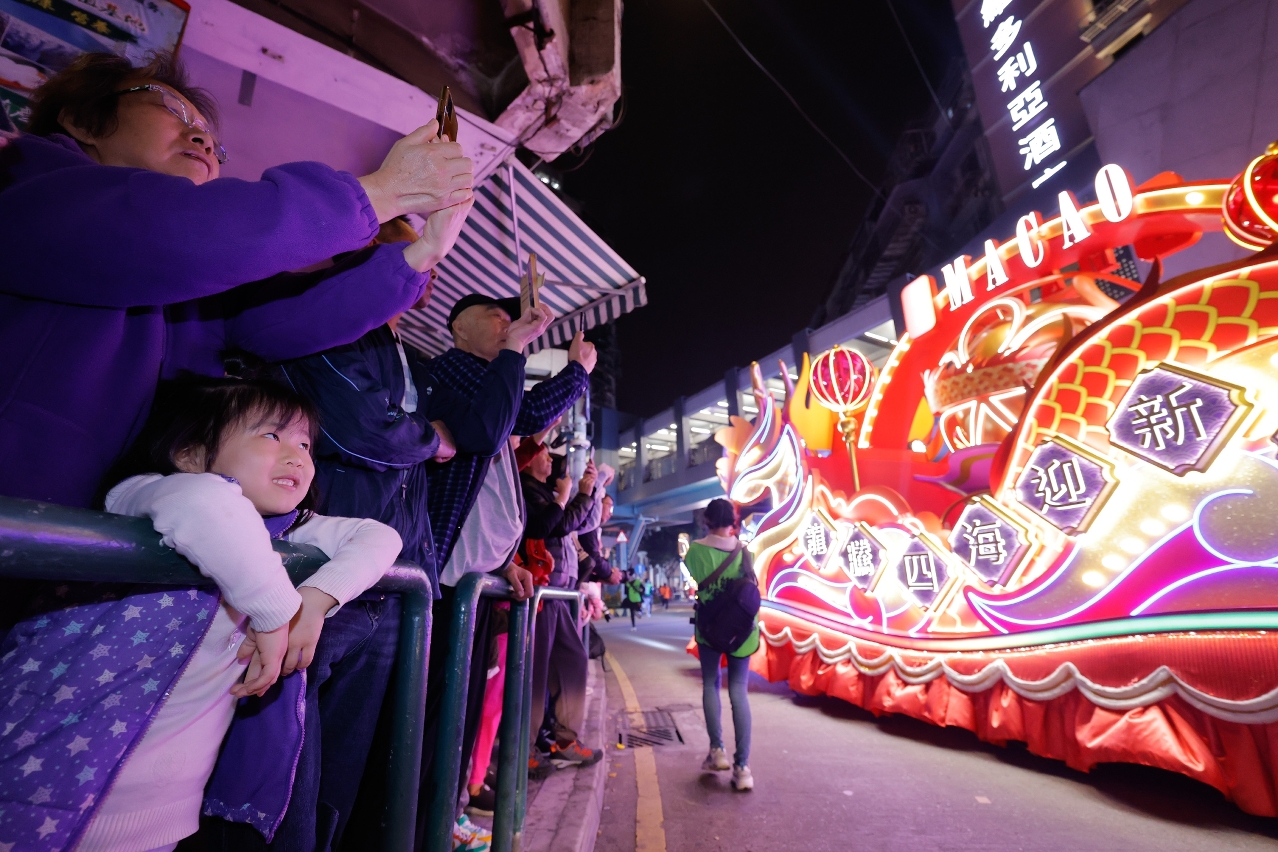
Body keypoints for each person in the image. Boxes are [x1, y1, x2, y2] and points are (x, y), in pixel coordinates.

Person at [0, 50, 473, 511]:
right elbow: (175, 229)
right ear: (82, 122)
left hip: (100, 539)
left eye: (212, 138)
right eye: (172, 109)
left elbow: (287, 317)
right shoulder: (29, 185)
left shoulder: (194, 283)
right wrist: (381, 192)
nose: (203, 139)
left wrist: (421, 254)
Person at [0, 378, 402, 850]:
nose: (297, 456)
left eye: (304, 444)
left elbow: (380, 538)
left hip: (163, 813)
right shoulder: (145, 494)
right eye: (271, 435)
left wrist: (314, 601)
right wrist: (276, 613)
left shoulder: (289, 530)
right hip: (41, 787)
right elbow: (204, 503)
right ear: (190, 454)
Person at [415, 294, 595, 850]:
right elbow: (522, 416)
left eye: (507, 318)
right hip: (445, 582)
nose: (505, 323)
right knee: (437, 716)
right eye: (493, 317)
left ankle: (446, 817)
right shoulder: (453, 371)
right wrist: (575, 371)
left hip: (476, 580)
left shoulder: (489, 385)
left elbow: (490, 493)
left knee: (463, 713)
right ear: (457, 327)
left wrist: (506, 560)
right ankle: (426, 828)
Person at [520, 446, 605, 771]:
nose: (550, 460)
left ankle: (564, 740)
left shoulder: (549, 494)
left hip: (559, 594)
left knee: (572, 661)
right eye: (543, 454)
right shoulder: (529, 491)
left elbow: (577, 524)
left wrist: (589, 491)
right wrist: (575, 495)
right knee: (535, 673)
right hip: (540, 594)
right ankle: (523, 749)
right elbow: (554, 525)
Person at [685, 498, 756, 792]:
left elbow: (695, 578)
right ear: (733, 522)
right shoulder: (747, 552)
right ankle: (743, 768)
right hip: (742, 632)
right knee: (739, 691)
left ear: (707, 521)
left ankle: (717, 751)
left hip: (710, 630)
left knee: (710, 684)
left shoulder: (695, 551)